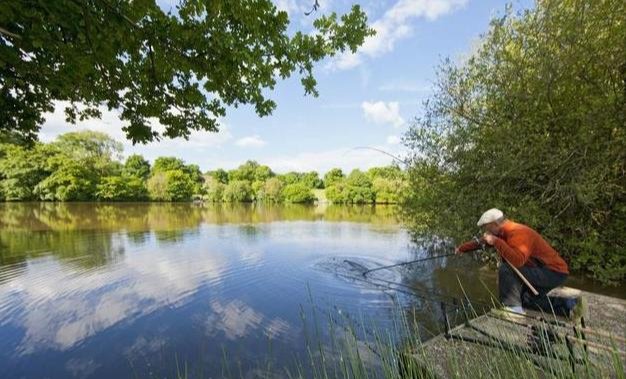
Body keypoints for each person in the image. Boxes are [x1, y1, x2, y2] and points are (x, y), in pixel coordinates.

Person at [455, 208, 580, 317]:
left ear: (494, 224)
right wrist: (461, 249)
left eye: (486, 228)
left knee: (506, 268)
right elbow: (482, 242)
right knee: (527, 300)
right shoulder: (502, 232)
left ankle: (512, 310)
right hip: (543, 270)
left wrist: (496, 241)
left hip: (553, 272)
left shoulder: (519, 233)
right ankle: (570, 306)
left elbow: (518, 261)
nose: (485, 231)